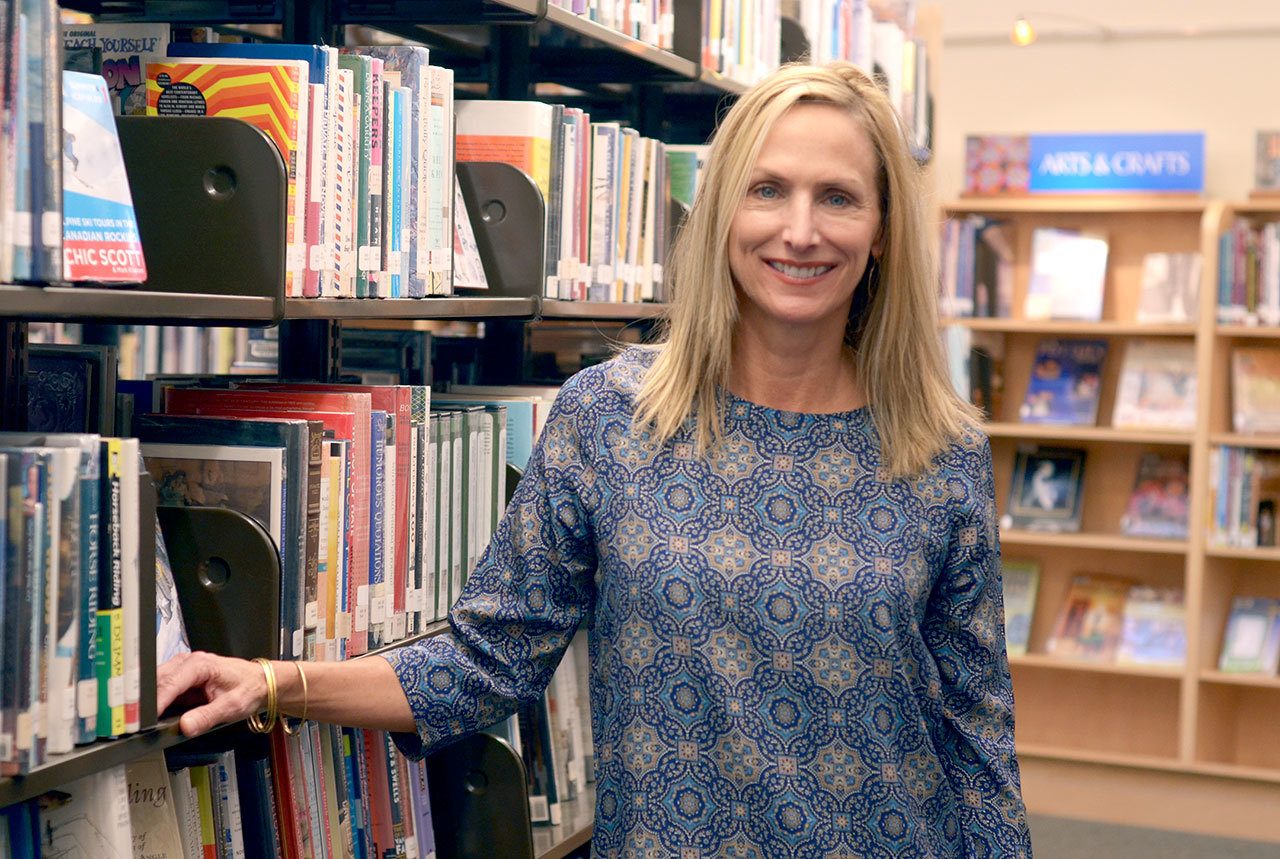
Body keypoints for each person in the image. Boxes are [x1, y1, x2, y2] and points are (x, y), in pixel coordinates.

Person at [158, 61, 1032, 856]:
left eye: (838, 197)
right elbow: (485, 658)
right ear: (724, 209)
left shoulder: (941, 452)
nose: (799, 230)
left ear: (881, 231)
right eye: (769, 190)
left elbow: (978, 743)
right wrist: (272, 681)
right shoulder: (612, 417)